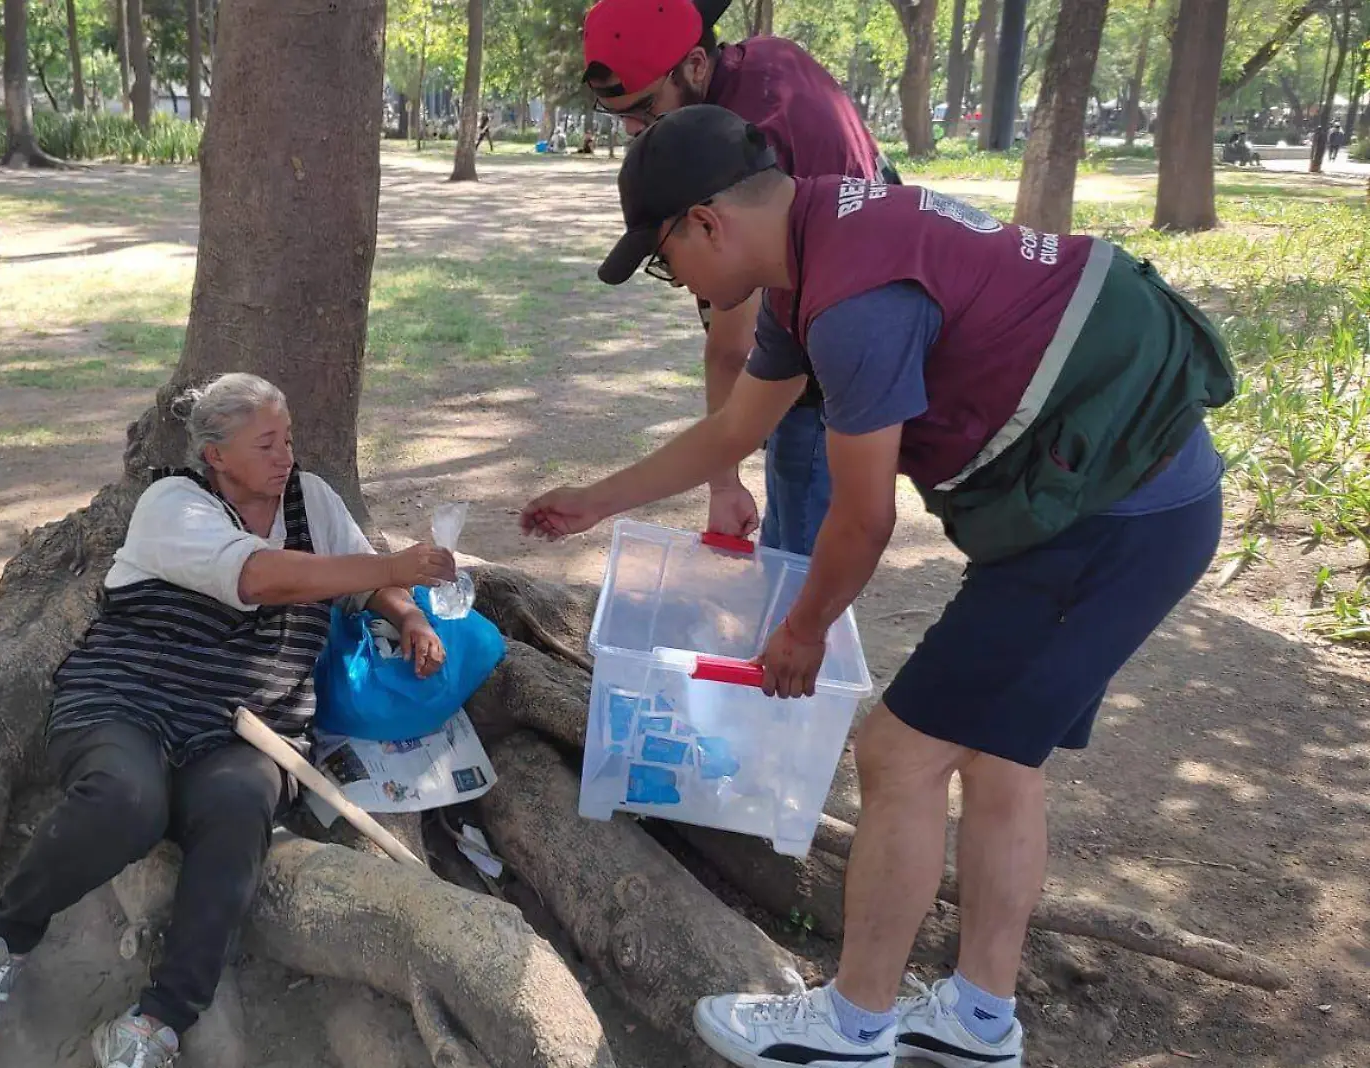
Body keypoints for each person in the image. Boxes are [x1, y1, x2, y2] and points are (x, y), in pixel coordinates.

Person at [522, 106, 1234, 1068]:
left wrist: (802, 630)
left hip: (1108, 520)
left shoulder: (853, 302)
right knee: (1000, 761)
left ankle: (850, 1028)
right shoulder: (814, 247)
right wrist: (593, 503)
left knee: (897, 753)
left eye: (662, 260)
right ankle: (981, 1021)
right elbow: (736, 430)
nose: (676, 283)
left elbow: (864, 519)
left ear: (704, 223)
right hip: (1124, 494)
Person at [0, 374, 454, 1067]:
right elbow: (262, 578)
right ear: (216, 456)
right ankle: (3, 940)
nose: (285, 456)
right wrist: (393, 562)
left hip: (249, 725)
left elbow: (362, 578)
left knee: (239, 811)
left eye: (288, 439)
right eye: (265, 444)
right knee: (126, 801)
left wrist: (410, 613)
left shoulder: (313, 500)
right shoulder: (171, 504)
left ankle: (162, 1017)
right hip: (130, 699)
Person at [581, 0, 896, 556]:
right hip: (856, 279)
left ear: (696, 65)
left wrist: (723, 487)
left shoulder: (750, 146)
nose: (633, 128)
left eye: (645, 106)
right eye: (619, 115)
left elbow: (734, 345)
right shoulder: (761, 62)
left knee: (795, 548)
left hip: (843, 327)